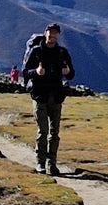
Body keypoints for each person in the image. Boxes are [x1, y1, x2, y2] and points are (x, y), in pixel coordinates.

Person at [23, 23, 74, 174]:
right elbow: (25, 72)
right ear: (45, 33)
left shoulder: (62, 53)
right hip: (40, 95)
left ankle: (52, 163)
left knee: (55, 132)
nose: (52, 35)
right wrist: (36, 72)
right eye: (50, 32)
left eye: (55, 33)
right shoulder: (36, 51)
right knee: (43, 131)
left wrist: (68, 71)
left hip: (56, 96)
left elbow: (71, 74)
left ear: (58, 35)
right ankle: (40, 163)